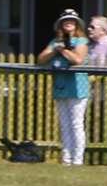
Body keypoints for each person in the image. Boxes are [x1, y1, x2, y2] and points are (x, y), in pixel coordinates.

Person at [37, 9, 90, 165]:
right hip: (60, 85)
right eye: (66, 21)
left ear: (76, 24)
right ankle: (66, 159)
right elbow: (41, 59)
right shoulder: (55, 42)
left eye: (72, 21)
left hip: (77, 87)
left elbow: (78, 59)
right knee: (64, 123)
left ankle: (77, 159)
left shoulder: (81, 41)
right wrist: (54, 50)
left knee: (76, 123)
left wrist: (64, 51)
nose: (69, 23)